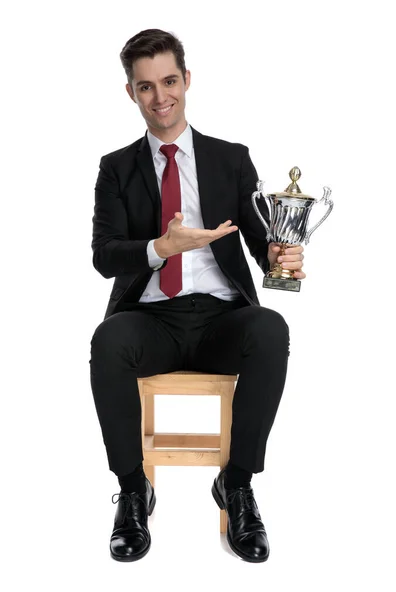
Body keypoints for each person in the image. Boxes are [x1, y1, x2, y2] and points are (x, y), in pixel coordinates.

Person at [89, 28, 306, 564]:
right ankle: (134, 491)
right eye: (145, 87)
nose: (160, 97)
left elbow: (262, 244)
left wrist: (284, 257)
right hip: (151, 320)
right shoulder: (116, 168)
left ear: (186, 80)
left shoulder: (230, 159)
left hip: (220, 321)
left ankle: (236, 485)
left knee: (271, 327)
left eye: (168, 81)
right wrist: (160, 246)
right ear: (131, 94)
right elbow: (104, 255)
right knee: (108, 340)